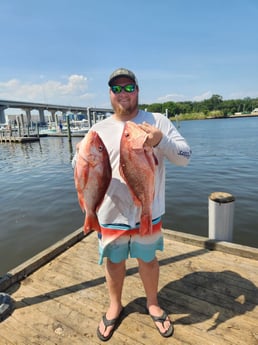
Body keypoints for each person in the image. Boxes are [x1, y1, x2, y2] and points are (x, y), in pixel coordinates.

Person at [74, 68, 191, 341]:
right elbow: (82, 171)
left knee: (147, 260)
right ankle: (115, 305)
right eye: (117, 88)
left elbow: (185, 156)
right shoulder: (97, 129)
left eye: (129, 87)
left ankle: (152, 303)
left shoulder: (157, 121)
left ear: (137, 90)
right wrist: (79, 160)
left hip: (148, 210)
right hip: (109, 212)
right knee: (114, 263)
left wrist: (161, 141)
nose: (123, 93)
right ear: (110, 94)